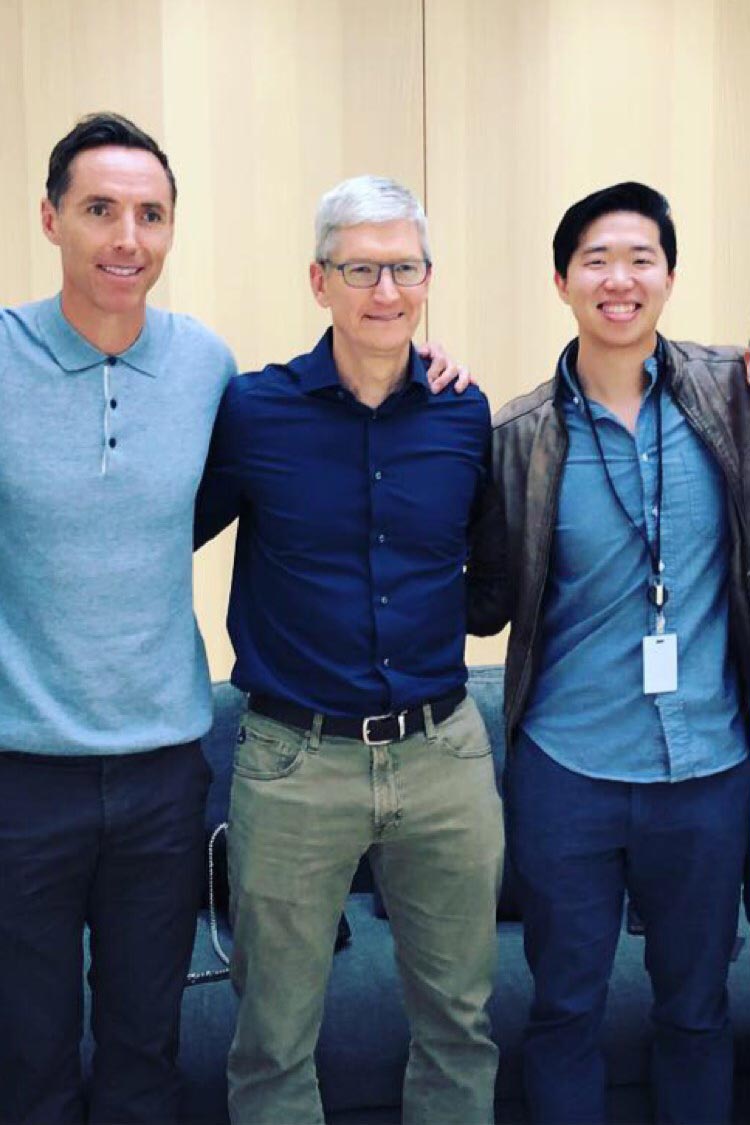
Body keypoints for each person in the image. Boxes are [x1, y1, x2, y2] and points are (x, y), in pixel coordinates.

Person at [0, 113, 466, 1125]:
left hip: (168, 761)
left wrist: (429, 371)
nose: (127, 236)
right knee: (24, 1053)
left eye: (150, 214)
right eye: (100, 210)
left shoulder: (207, 369)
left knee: (144, 1048)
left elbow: (252, 481)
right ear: (50, 219)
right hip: (19, 769)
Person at [195, 174, 504, 1125]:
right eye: (360, 268)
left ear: (427, 277)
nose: (385, 292)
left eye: (403, 268)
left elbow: (490, 588)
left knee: (459, 1024)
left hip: (443, 752)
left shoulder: (463, 411)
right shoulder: (252, 411)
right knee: (274, 1037)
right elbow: (157, 535)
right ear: (318, 280)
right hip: (295, 762)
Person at [467, 181, 750, 1124]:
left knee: (699, 1011)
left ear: (670, 276)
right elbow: (481, 595)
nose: (618, 278)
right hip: (568, 770)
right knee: (565, 1011)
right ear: (560, 281)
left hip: (710, 764)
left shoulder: (730, 397)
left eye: (641, 258)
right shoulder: (517, 437)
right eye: (595, 259)